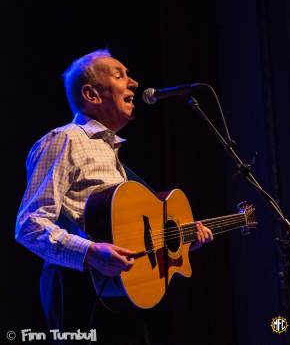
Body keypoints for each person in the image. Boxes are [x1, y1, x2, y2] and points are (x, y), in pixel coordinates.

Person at [15, 49, 213, 344]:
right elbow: (29, 225)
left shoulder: (112, 155)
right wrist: (90, 252)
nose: (133, 83)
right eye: (120, 75)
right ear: (92, 95)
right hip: (78, 291)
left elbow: (131, 237)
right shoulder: (66, 139)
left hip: (119, 296)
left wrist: (181, 243)